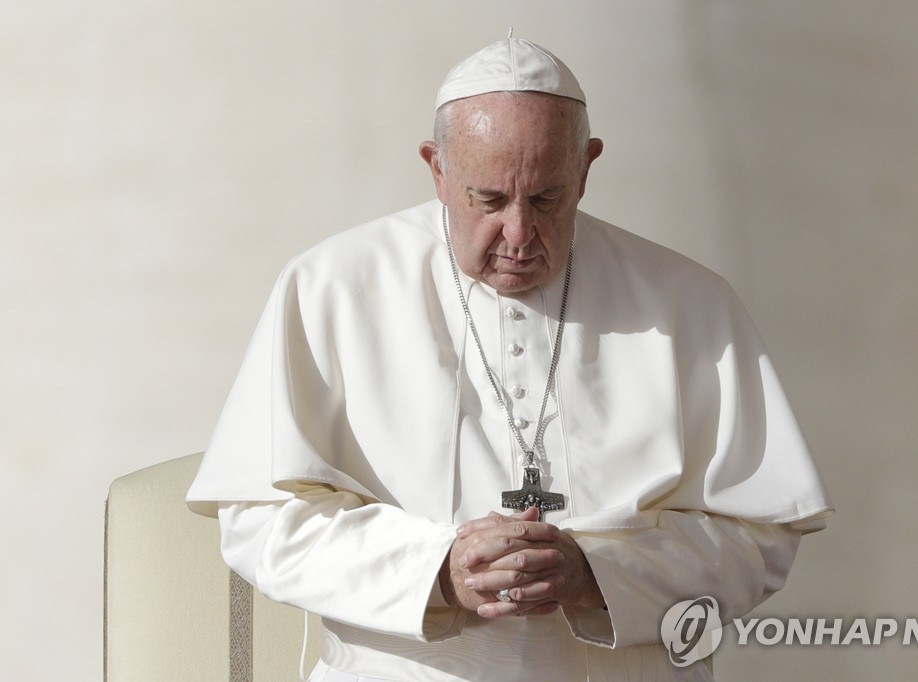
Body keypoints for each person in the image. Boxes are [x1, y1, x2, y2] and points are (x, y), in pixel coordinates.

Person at [187, 35, 832, 682]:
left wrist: (597, 576)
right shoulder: (331, 288)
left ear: (586, 167)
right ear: (436, 169)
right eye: (488, 200)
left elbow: (760, 537)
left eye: (547, 198)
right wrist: (438, 569)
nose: (519, 234)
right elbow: (261, 521)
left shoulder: (687, 303)